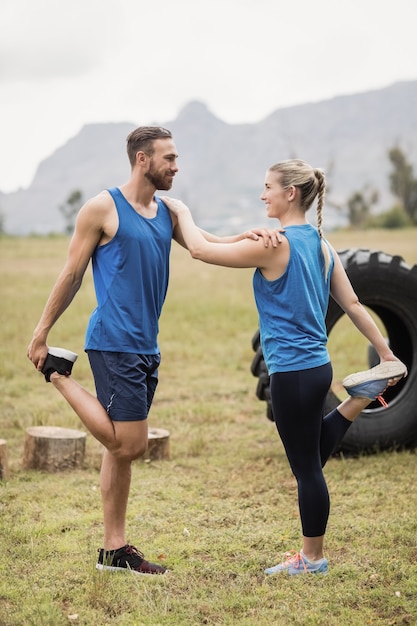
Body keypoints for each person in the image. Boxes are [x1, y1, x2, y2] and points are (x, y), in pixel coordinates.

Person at [27, 126, 279, 576]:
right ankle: (59, 375)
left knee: (118, 451)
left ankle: (113, 550)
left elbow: (207, 244)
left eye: (177, 158)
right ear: (142, 160)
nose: (176, 167)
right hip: (113, 341)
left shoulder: (168, 211)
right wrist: (41, 334)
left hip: (146, 344)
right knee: (131, 444)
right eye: (169, 159)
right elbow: (71, 275)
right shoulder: (103, 208)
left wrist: (249, 236)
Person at [162, 159, 407, 576]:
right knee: (311, 456)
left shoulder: (274, 245)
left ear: (289, 193)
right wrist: (386, 354)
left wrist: (181, 212)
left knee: (308, 469)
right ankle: (355, 401)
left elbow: (202, 251)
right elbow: (352, 305)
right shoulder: (321, 244)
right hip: (317, 368)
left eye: (267, 187)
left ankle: (312, 559)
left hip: (291, 374)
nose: (263, 195)